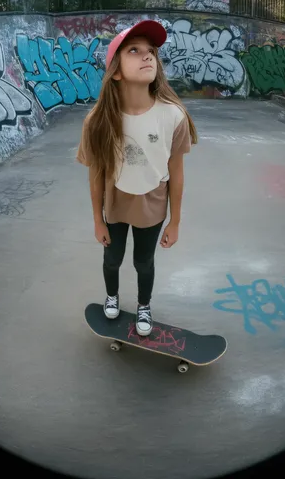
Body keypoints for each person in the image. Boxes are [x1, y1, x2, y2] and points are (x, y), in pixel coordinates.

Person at [76, 19, 198, 335]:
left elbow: (176, 172)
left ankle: (144, 306)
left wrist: (175, 221)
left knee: (144, 263)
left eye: (151, 51)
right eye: (134, 50)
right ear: (116, 70)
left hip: (153, 205)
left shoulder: (173, 116)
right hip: (115, 204)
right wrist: (97, 219)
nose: (147, 56)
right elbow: (96, 173)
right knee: (112, 258)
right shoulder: (98, 121)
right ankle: (112, 296)